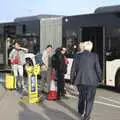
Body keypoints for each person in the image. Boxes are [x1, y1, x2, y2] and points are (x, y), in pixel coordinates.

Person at [70, 41, 102, 120]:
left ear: (84, 47)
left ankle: (80, 111)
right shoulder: (94, 56)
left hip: (80, 81)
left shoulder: (77, 56)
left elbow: (73, 69)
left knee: (82, 96)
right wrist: (100, 78)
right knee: (90, 100)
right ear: (91, 48)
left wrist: (72, 80)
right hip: (92, 81)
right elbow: (98, 69)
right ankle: (87, 117)